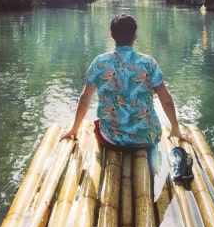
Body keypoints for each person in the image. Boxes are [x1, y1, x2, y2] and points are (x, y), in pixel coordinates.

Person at [60, 13, 191, 147]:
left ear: (112, 36)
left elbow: (85, 99)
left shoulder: (99, 62)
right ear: (135, 37)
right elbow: (166, 100)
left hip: (111, 138)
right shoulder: (149, 63)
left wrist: (74, 128)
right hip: (146, 137)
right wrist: (176, 128)